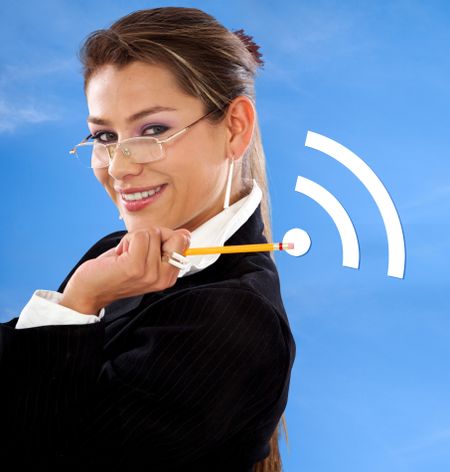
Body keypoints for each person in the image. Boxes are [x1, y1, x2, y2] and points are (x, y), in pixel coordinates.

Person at [0, 7, 296, 471]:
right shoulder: (113, 255)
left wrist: (80, 301)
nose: (118, 167)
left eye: (153, 130)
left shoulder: (235, 315)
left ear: (235, 127)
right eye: (103, 135)